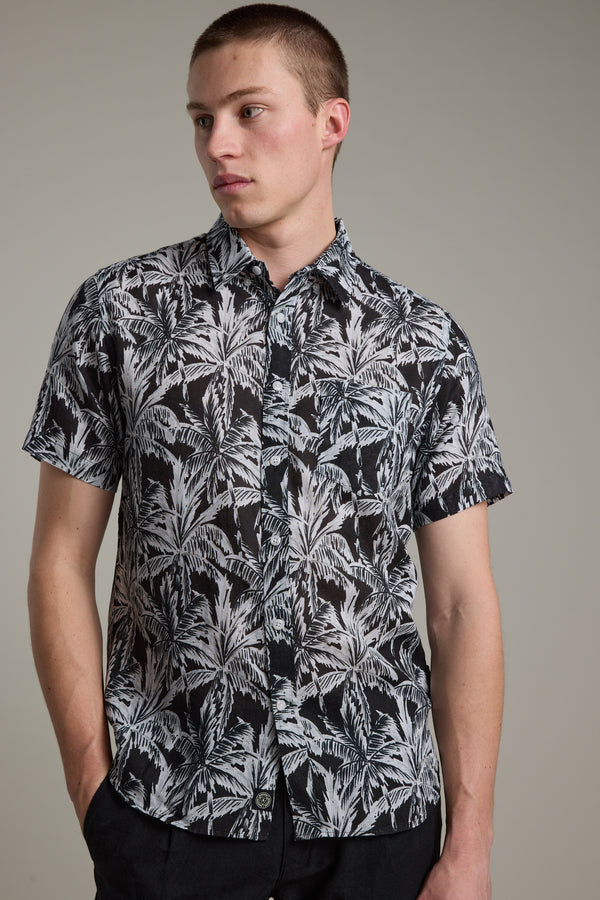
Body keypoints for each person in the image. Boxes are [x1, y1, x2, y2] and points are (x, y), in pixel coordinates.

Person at [23, 4, 512, 899]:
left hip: (380, 823)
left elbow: (460, 605)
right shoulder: (118, 315)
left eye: (249, 111)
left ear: (332, 122)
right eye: (202, 119)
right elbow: (60, 557)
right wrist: (95, 789)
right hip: (170, 812)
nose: (219, 144)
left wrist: (468, 844)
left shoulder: (424, 342)